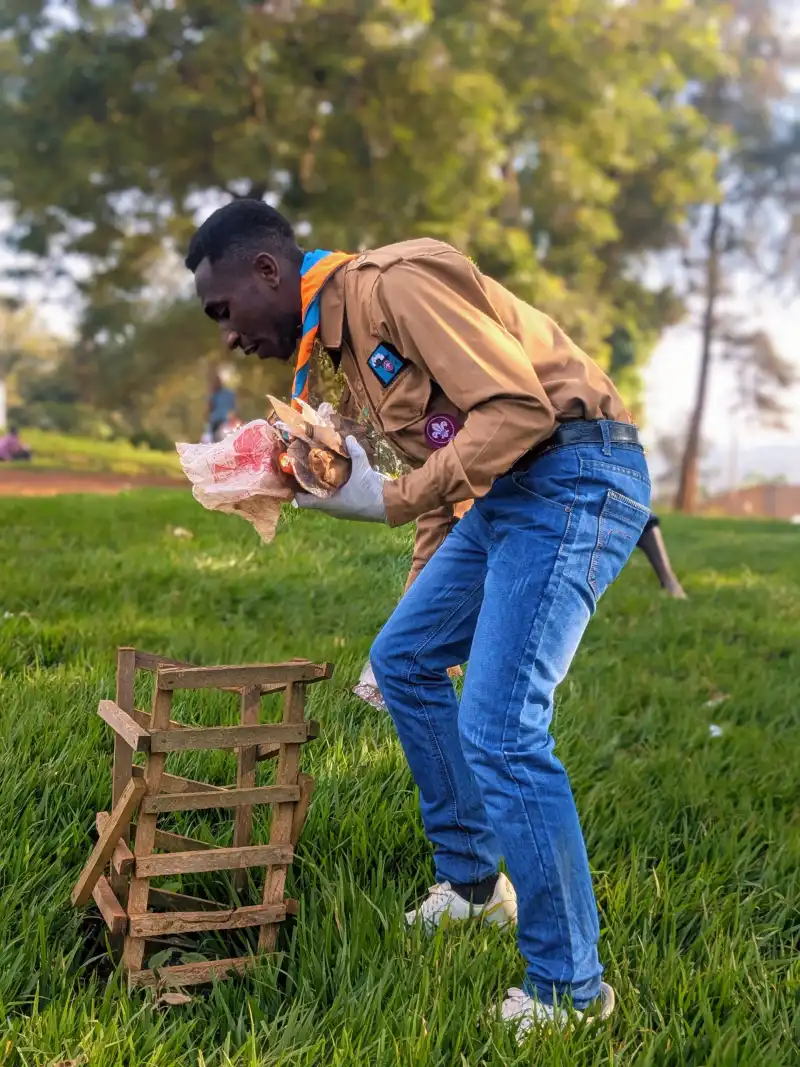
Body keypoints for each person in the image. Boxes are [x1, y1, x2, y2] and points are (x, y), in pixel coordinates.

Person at [185, 199, 652, 1035]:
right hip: (510, 496)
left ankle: (571, 991)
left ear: (267, 270)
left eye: (223, 310)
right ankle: (476, 887)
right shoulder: (349, 351)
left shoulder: (392, 286)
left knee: (503, 728)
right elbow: (448, 486)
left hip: (579, 474)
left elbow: (518, 413)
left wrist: (390, 498)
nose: (226, 334)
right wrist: (415, 609)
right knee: (402, 660)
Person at [205, 368, 238, 442]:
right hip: (216, 421)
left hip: (225, 421)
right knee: (214, 438)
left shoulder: (229, 393)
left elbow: (233, 408)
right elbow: (210, 408)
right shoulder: (213, 394)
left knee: (223, 437)